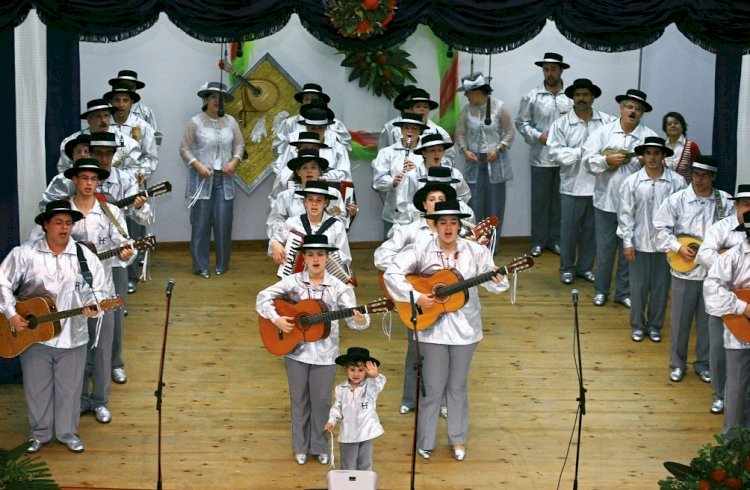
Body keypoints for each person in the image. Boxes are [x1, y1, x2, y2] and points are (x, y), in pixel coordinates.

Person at [384, 200, 509, 461]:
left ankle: (458, 439)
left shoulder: (475, 251)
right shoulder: (421, 249)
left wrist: (500, 278)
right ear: (435, 225)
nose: (449, 227)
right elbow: (391, 274)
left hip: (465, 329)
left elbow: (496, 284)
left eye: (454, 222)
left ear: (460, 225)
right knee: (432, 385)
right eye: (443, 222)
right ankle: (426, 440)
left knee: (457, 385)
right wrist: (417, 296)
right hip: (432, 328)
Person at [41, 133, 151, 385]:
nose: (102, 157)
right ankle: (80, 376)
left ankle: (113, 365)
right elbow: (48, 216)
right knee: (77, 322)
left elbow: (140, 219)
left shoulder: (123, 179)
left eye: (108, 153)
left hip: (109, 262)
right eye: (96, 152)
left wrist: (137, 207)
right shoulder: (66, 183)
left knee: (111, 316)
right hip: (71, 273)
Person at [0, 200, 108, 453]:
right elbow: (2, 282)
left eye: (68, 223)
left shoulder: (85, 256)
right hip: (33, 336)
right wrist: (11, 313)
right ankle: (39, 433)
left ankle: (68, 433)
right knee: (37, 388)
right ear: (46, 224)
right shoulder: (25, 253)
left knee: (71, 389)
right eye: (58, 222)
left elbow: (100, 290)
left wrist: (95, 305)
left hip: (73, 334)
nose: (64, 228)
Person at [256, 234, 370, 465]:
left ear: (327, 257)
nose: (315, 258)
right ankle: (300, 446)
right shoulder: (293, 282)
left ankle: (319, 446)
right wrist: (277, 319)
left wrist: (359, 318)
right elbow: (262, 298)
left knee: (321, 401)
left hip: (326, 354)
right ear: (304, 258)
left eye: (320, 254)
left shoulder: (339, 288)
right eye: (310, 254)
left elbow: (357, 322)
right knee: (299, 400)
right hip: (295, 350)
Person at [374, 179, 456, 415]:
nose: (437, 203)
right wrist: (413, 275)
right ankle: (410, 398)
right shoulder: (408, 231)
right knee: (416, 350)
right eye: (432, 200)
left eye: (441, 200)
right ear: (424, 204)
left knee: (447, 352)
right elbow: (381, 256)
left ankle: (441, 401)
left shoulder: (457, 230)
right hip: (417, 298)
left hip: (447, 299)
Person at [654, 156, 734, 382]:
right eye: (696, 175)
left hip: (713, 274)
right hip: (684, 270)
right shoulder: (677, 200)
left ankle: (703, 363)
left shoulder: (725, 202)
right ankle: (677, 364)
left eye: (705, 176)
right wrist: (678, 247)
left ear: (713, 177)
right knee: (679, 320)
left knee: (708, 321)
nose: (699, 180)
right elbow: (660, 228)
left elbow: (734, 233)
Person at [583, 88, 658, 307]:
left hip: (636, 207)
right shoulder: (603, 132)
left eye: (638, 109)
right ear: (621, 108)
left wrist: (648, 164)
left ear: (642, 113)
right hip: (605, 202)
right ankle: (601, 290)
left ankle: (624, 292)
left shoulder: (648, 137)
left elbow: (659, 167)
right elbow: (588, 162)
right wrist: (607, 162)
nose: (633, 111)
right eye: (629, 107)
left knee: (630, 252)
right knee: (605, 251)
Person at [617, 137, 685, 343]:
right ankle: (637, 325)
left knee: (660, 289)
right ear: (642, 156)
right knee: (637, 288)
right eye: (648, 153)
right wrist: (627, 242)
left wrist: (677, 243)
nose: (652, 158)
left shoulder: (676, 182)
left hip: (666, 247)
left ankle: (655, 326)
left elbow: (681, 215)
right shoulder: (632, 182)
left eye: (657, 153)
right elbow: (625, 214)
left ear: (664, 156)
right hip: (639, 244)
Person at [547, 78, 616, 285]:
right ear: (572, 98)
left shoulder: (607, 121)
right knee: (568, 231)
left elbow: (612, 148)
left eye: (585, 95)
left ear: (593, 97)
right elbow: (555, 154)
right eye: (577, 95)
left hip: (599, 187)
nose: (581, 99)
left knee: (591, 231)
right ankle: (567, 268)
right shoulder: (561, 123)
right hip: (572, 187)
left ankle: (585, 267)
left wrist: (601, 155)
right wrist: (582, 151)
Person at [179, 82, 245, 279]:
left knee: (224, 223)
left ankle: (222, 264)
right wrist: (197, 165)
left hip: (224, 180)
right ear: (205, 99)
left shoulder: (231, 122)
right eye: (213, 97)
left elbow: (240, 144)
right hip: (202, 180)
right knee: (200, 224)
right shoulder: (196, 122)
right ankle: (200, 265)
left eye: (221, 97)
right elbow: (184, 148)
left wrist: (234, 161)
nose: (218, 101)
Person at [696, 184, 750, 414]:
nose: (749, 208)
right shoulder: (720, 228)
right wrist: (725, 261)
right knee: (718, 352)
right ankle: (719, 395)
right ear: (736, 204)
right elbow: (703, 254)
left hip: (744, 302)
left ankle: (741, 404)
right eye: (746, 204)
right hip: (724, 301)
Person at [515, 52, 574, 257]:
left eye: (553, 69)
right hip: (540, 158)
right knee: (540, 201)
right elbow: (521, 123)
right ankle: (538, 241)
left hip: (564, 160)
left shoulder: (571, 97)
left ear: (561, 70)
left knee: (560, 202)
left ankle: (555, 240)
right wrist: (539, 136)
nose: (549, 73)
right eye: (546, 69)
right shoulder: (532, 96)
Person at [455, 72, 515, 252]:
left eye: (468, 92)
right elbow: (460, 133)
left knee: (495, 206)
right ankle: (476, 246)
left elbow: (510, 131)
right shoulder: (466, 110)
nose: (466, 96)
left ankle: (492, 247)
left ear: (479, 91)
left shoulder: (499, 107)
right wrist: (465, 150)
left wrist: (499, 148)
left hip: (495, 161)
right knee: (475, 204)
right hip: (474, 162)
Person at [269, 180, 352, 278]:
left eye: (319, 200)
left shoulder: (337, 225)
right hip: (298, 279)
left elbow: (345, 257)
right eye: (310, 199)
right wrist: (274, 244)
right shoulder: (292, 223)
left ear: (326, 203)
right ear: (304, 202)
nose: (314, 204)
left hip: (328, 279)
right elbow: (275, 240)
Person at [325, 347, 385, 471]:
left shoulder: (370, 386)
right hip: (349, 433)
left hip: (366, 431)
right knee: (348, 464)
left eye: (361, 370)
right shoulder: (341, 388)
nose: (356, 374)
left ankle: (364, 485)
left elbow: (379, 384)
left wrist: (376, 376)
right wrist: (332, 421)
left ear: (367, 371)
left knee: (365, 462)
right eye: (352, 370)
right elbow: (337, 406)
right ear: (346, 370)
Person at [267, 149, 347, 239]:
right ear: (298, 172)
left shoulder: (333, 194)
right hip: (293, 244)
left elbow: (341, 220)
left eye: (313, 167)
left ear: (320, 171)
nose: (309, 171)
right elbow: (274, 222)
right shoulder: (285, 196)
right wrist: (285, 236)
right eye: (304, 168)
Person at [396, 134, 473, 225]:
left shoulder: (454, 174)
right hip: (420, 221)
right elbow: (402, 204)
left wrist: (454, 207)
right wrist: (419, 212)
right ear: (424, 153)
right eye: (432, 151)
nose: (436, 154)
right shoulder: (412, 176)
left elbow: (465, 196)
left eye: (440, 150)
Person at [371, 112, 426, 237]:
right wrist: (392, 181)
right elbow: (377, 181)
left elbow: (434, 179)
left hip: (420, 214)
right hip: (393, 214)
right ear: (401, 130)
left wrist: (418, 171)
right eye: (406, 127)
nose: (410, 131)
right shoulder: (387, 152)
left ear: (420, 131)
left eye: (414, 128)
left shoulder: (427, 153)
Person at [58, 99, 141, 175]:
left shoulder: (128, 143)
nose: (103, 120)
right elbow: (64, 170)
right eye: (98, 116)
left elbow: (133, 170)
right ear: (89, 119)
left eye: (106, 116)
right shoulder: (71, 142)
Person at [379, 88, 456, 165]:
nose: (422, 110)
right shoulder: (393, 129)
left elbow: (450, 157)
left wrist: (432, 165)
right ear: (411, 109)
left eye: (425, 107)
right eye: (418, 106)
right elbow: (382, 156)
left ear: (429, 109)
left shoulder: (439, 132)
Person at [272, 84, 351, 156]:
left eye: (313, 99)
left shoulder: (335, 124)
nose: (309, 102)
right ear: (302, 102)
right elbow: (277, 148)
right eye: (306, 99)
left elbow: (346, 148)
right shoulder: (290, 122)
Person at [108, 69, 162, 145]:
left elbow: (155, 138)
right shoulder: (106, 112)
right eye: (124, 85)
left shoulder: (145, 112)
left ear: (136, 88)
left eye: (131, 87)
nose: (127, 89)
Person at [663, 111, 700, 183]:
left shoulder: (692, 146)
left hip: (686, 190)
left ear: (682, 127)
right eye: (669, 124)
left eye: (676, 123)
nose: (672, 126)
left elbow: (698, 171)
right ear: (665, 129)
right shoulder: (661, 147)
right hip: (665, 190)